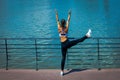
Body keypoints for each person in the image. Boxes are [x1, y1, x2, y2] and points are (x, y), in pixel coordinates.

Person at [55, 9, 91, 76]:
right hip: (67, 43)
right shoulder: (66, 28)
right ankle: (87, 35)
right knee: (77, 40)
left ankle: (62, 72)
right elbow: (68, 20)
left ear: (60, 23)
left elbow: (57, 21)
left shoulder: (59, 28)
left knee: (63, 58)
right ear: (65, 23)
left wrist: (56, 14)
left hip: (62, 45)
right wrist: (69, 14)